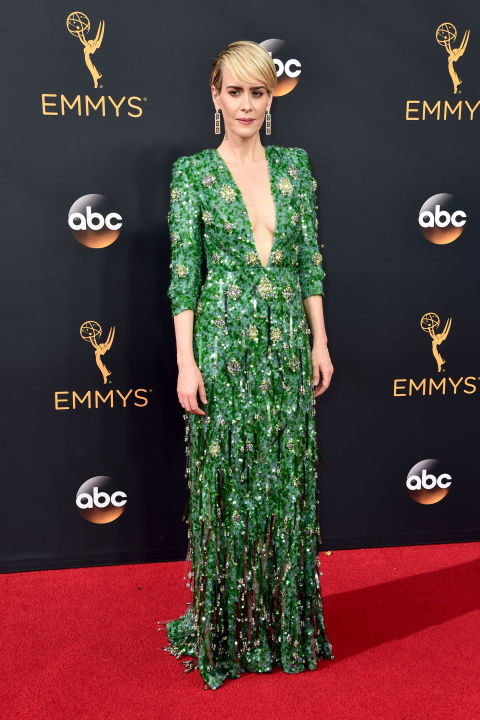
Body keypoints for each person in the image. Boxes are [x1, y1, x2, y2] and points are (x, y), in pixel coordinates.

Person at [161, 40, 334, 690]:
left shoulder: (295, 166)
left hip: (285, 346)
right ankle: (228, 631)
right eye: (234, 91)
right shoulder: (192, 175)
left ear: (270, 99)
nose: (246, 104)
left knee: (284, 488)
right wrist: (186, 363)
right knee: (228, 490)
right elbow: (185, 276)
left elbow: (309, 261)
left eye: (257, 92)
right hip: (223, 348)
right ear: (215, 96)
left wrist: (319, 342)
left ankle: (285, 627)